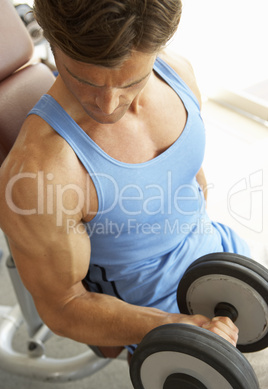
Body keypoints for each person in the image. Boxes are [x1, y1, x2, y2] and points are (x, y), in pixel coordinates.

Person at [0, 0, 249, 355]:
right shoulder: (39, 172)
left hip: (223, 258)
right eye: (84, 80)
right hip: (155, 318)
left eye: (132, 81)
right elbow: (62, 306)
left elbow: (191, 185)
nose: (108, 104)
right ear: (52, 44)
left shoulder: (177, 72)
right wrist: (170, 326)